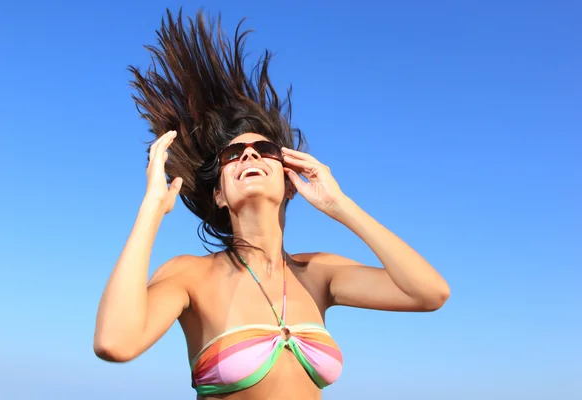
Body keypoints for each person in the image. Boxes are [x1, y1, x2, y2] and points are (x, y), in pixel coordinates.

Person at [93, 8, 450, 400]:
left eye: (263, 150)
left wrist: (340, 205)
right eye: (233, 155)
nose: (249, 156)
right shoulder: (190, 276)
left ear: (289, 178)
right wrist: (151, 211)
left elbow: (430, 293)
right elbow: (116, 342)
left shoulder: (317, 274)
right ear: (219, 194)